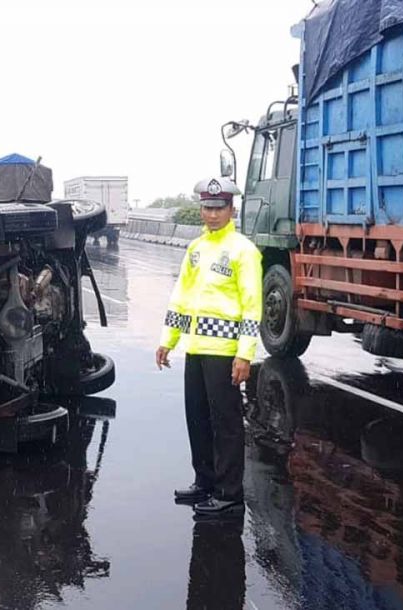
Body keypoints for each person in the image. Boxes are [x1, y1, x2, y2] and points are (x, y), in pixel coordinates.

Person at [155, 177, 262, 517]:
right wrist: (168, 340)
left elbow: (252, 306)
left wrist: (245, 354)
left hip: (225, 353)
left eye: (219, 208)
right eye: (207, 208)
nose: (212, 214)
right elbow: (181, 297)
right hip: (196, 349)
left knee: (226, 424)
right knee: (198, 419)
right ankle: (205, 481)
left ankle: (229, 494)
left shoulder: (243, 250)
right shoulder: (196, 249)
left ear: (232, 209)